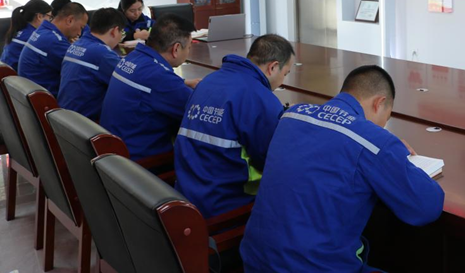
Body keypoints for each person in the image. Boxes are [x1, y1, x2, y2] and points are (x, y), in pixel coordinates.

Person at [240, 65, 445, 273]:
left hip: (255, 262)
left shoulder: (291, 116)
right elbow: (428, 206)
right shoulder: (373, 140)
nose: (382, 126)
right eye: (386, 118)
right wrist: (392, 154)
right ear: (379, 103)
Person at [174, 35, 295, 218]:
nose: (282, 81)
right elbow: (270, 160)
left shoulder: (208, 81)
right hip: (223, 204)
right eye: (285, 73)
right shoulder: (260, 98)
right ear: (273, 67)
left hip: (186, 191)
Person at [100, 14, 201, 161]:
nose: (188, 51)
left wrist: (183, 83)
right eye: (189, 47)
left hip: (114, 150)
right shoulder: (160, 78)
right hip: (140, 163)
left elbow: (151, 84)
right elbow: (197, 109)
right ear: (176, 49)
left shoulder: (133, 57)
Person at [58, 8, 126, 122]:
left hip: (65, 117)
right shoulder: (101, 53)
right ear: (114, 31)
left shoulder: (77, 44)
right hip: (85, 124)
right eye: (122, 33)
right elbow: (130, 79)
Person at [17, 2, 87, 97]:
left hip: (29, 93)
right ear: (70, 20)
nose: (79, 33)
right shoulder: (55, 41)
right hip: (45, 98)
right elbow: (81, 68)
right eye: (81, 27)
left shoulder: (43, 31)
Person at [1, 0, 52, 71]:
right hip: (17, 75)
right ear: (39, 16)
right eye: (49, 17)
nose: (50, 21)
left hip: (7, 74)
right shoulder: (34, 36)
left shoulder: (19, 30)